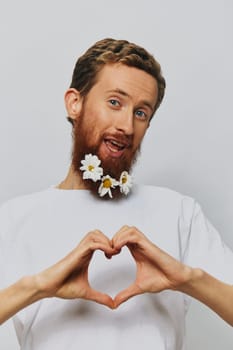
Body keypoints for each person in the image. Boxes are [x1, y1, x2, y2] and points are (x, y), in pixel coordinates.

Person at [0, 38, 232, 349]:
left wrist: (188, 279)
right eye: (114, 102)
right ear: (74, 103)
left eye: (141, 113)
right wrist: (39, 287)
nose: (126, 124)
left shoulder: (179, 212)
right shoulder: (15, 218)